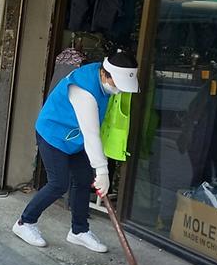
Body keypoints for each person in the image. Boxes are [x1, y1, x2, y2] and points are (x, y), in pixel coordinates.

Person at [12, 52, 139, 253]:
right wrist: (103, 170)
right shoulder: (84, 89)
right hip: (53, 133)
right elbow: (91, 134)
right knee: (58, 183)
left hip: (76, 138)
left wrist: (98, 169)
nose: (119, 90)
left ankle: (79, 231)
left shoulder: (105, 80)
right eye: (117, 83)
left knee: (83, 180)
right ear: (106, 75)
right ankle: (24, 223)